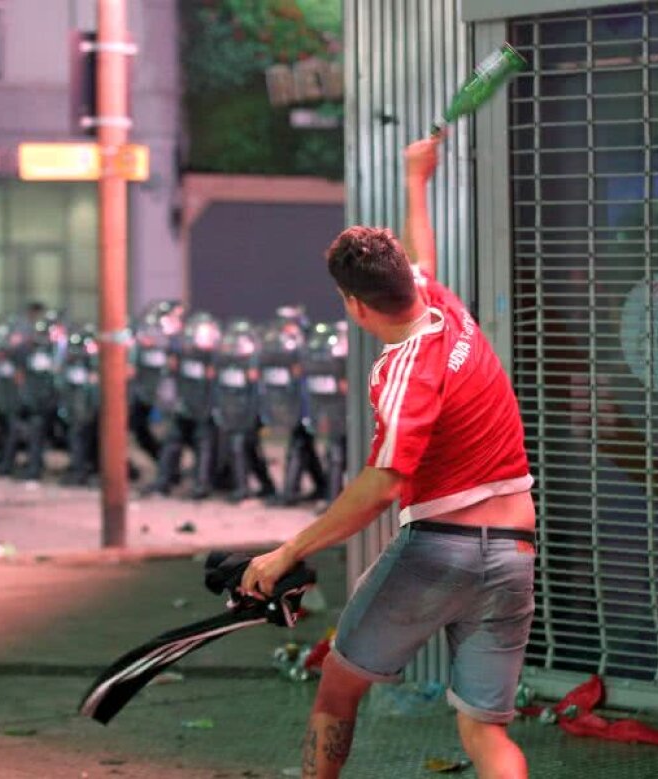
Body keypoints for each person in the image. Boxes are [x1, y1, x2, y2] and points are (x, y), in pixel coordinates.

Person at [241, 136, 537, 779]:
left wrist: (289, 550)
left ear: (353, 306)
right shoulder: (441, 306)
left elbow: (380, 485)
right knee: (486, 733)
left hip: (441, 550)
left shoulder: (404, 374)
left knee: (338, 689)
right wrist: (414, 180)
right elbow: (420, 253)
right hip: (515, 552)